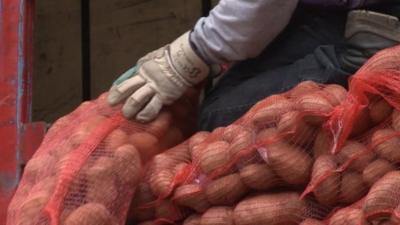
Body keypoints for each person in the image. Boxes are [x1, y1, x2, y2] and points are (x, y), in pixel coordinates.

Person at [107, 0, 400, 131]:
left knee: (219, 116)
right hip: (329, 10)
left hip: (372, 14)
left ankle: (358, 59)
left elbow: (259, 8)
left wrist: (188, 57)